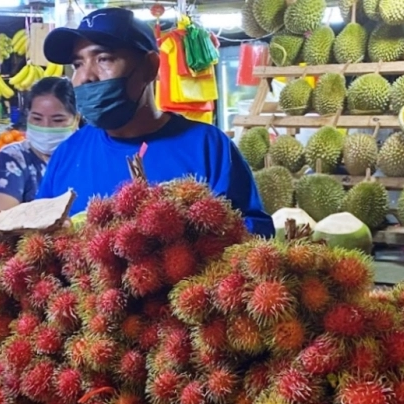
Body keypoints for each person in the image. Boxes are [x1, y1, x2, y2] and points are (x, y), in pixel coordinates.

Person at [36, 8, 273, 237]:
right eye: (78, 64)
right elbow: (37, 241)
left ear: (150, 67)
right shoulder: (67, 154)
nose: (85, 76)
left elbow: (254, 234)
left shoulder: (208, 147)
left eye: (103, 59)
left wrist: (185, 235)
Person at [0, 77, 78, 224]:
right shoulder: (11, 160)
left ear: (76, 120)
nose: (46, 127)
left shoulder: (86, 157)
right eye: (37, 118)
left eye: (58, 120)